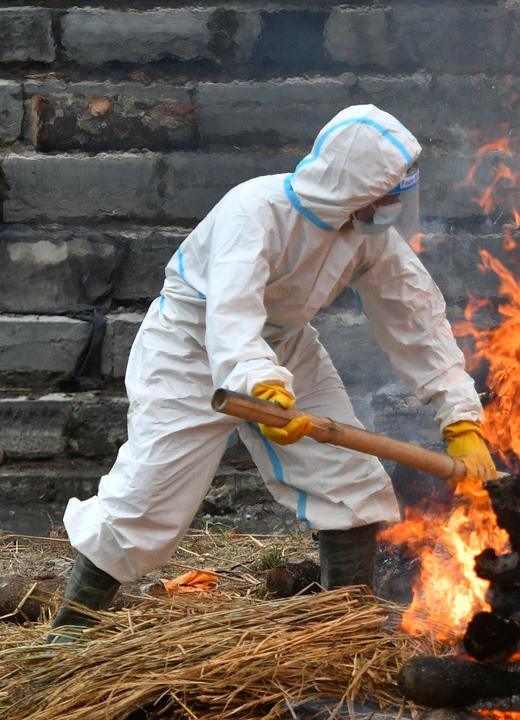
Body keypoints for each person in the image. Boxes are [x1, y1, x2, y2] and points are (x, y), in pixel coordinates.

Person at [48, 104, 496, 639]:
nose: (391, 209)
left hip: (285, 348)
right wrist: (261, 387)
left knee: (349, 482)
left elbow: (417, 319)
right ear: (350, 185)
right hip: (190, 348)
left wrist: (461, 420)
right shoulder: (254, 210)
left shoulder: (367, 234)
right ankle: (69, 634)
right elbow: (231, 318)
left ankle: (344, 637)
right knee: (148, 501)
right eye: (384, 196)